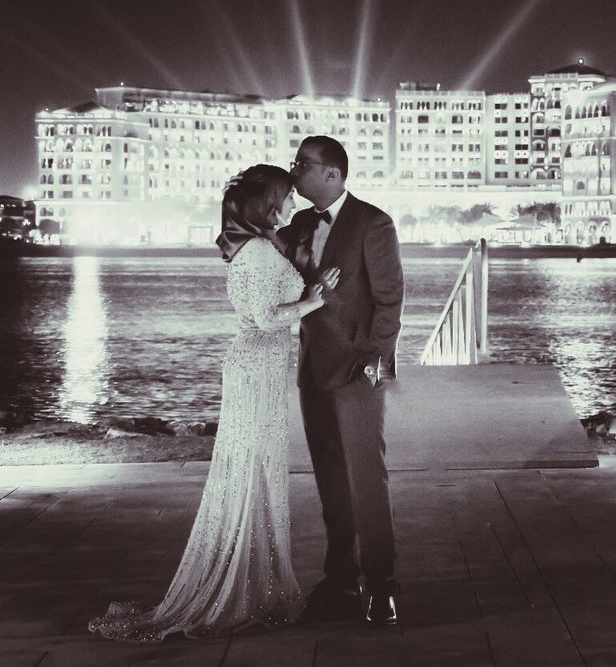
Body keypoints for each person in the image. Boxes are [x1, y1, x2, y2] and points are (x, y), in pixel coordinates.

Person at [90, 164, 340, 640]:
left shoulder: (250, 249)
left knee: (248, 471)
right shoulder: (262, 253)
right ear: (270, 205)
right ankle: (244, 588)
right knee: (252, 470)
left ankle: (249, 581)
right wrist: (316, 299)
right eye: (288, 196)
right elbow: (267, 318)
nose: (294, 203)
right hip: (256, 369)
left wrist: (305, 292)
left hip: (253, 368)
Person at [279, 135, 404, 626]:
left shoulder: (373, 222)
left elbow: (390, 299)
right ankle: (340, 580)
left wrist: (376, 358)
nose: (294, 171)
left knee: (366, 480)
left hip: (357, 369)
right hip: (313, 367)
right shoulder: (299, 223)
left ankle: (381, 584)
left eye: (302, 164)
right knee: (330, 480)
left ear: (332, 173)